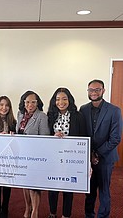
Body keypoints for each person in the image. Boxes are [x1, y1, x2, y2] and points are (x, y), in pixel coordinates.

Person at [80, 79, 122, 218]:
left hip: (106, 158)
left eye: (97, 89)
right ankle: (89, 214)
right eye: (91, 90)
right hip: (88, 158)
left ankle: (103, 216)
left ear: (103, 90)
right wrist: (89, 154)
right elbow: (83, 134)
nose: (94, 92)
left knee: (104, 191)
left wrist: (97, 154)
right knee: (89, 191)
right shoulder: (83, 109)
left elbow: (115, 138)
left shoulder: (114, 111)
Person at [47, 87, 86, 218]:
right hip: (53, 157)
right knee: (53, 187)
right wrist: (53, 135)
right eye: (57, 99)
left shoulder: (78, 116)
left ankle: (66, 215)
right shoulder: (50, 116)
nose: (61, 102)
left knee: (68, 188)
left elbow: (84, 137)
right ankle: (52, 213)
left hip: (71, 157)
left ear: (69, 100)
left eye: (64, 99)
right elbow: (45, 136)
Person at [16, 90, 50, 218]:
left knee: (34, 185)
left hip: (35, 156)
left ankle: (35, 211)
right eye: (27, 102)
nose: (30, 105)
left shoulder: (42, 116)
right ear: (23, 103)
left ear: (38, 103)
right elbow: (18, 132)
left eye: (33, 102)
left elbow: (45, 137)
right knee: (25, 184)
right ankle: (28, 207)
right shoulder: (20, 114)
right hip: (22, 155)